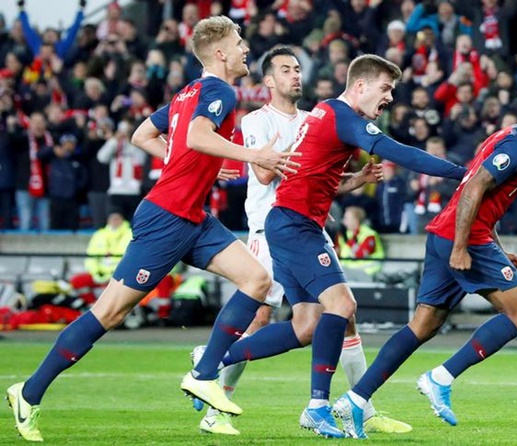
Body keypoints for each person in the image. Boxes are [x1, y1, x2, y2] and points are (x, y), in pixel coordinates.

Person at [5, 15, 299, 442]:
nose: (245, 48)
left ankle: (203, 373)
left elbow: (144, 134)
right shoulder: (218, 89)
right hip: (166, 218)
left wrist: (189, 162)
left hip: (194, 217)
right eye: (238, 42)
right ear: (220, 53)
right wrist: (250, 156)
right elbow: (198, 136)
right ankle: (28, 392)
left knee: (257, 279)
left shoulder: (188, 91)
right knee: (110, 312)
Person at [217, 54, 466, 439]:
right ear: (361, 86)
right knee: (339, 306)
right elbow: (397, 151)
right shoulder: (338, 115)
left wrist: (353, 179)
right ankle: (321, 405)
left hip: (293, 222)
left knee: (306, 325)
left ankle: (214, 359)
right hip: (291, 225)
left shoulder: (322, 114)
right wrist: (462, 172)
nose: (389, 99)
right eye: (385, 89)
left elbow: (314, 177)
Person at [332, 84, 517, 438]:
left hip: (446, 233)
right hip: (462, 238)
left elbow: (484, 196)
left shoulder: (509, 137)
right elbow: (473, 187)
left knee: (423, 326)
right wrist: (462, 248)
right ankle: (441, 377)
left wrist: (496, 248)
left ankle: (355, 400)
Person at [190, 46, 410, 436]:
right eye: (286, 70)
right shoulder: (257, 121)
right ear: (269, 81)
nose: (295, 75)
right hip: (268, 227)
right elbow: (262, 174)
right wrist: (297, 155)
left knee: (341, 314)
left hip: (309, 226)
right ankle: (214, 400)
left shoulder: (315, 118)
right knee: (259, 315)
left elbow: (322, 184)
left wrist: (356, 180)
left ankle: (364, 406)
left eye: (297, 68)